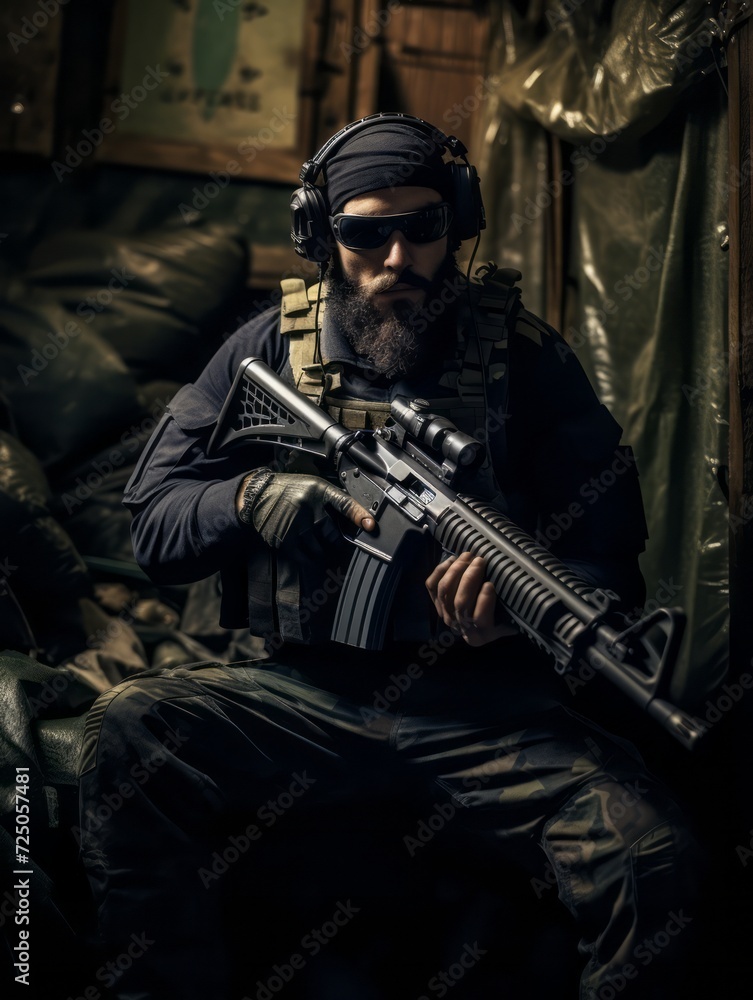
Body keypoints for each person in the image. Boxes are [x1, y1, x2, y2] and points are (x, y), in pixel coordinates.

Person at [78, 113, 700, 1000]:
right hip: (305, 695)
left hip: (488, 715)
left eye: (422, 227)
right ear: (320, 237)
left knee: (648, 853)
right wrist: (251, 500)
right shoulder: (263, 352)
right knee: (127, 728)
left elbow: (610, 562)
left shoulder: (526, 362)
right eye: (366, 233)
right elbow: (156, 525)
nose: (398, 257)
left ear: (457, 224)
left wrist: (522, 614)